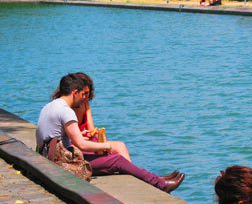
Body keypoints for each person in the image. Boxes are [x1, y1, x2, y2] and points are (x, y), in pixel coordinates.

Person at [35, 72, 185, 192]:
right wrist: (106, 146)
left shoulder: (51, 106)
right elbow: (81, 144)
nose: (84, 99)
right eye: (83, 94)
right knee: (116, 159)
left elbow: (64, 137)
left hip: (50, 157)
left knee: (114, 160)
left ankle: (156, 178)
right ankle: (160, 184)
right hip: (62, 163)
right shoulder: (66, 111)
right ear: (75, 92)